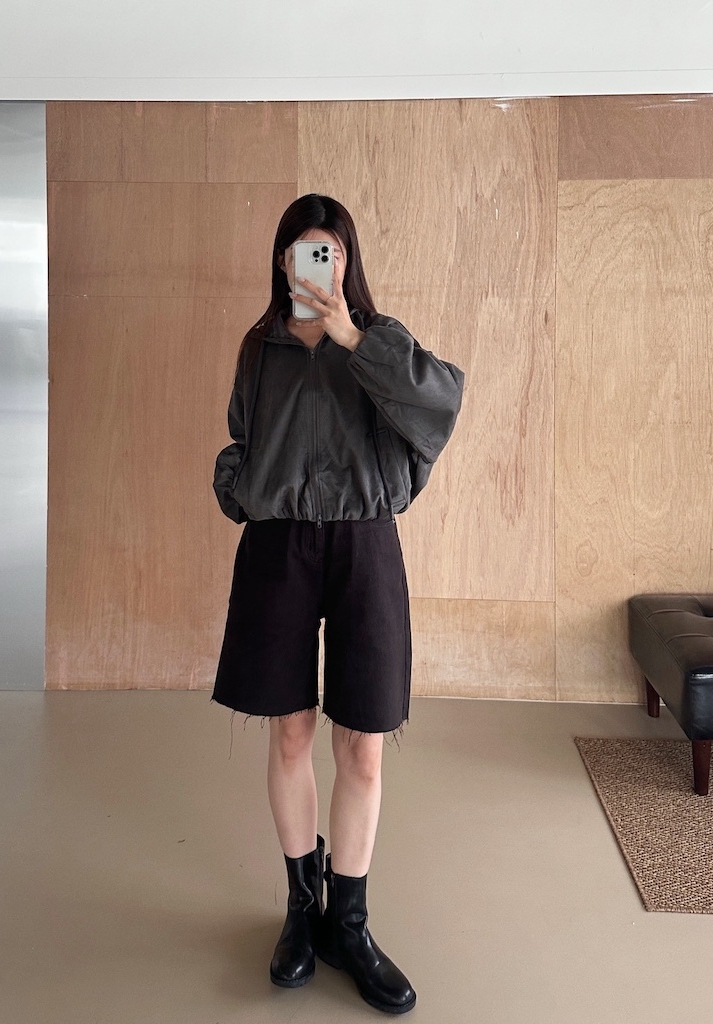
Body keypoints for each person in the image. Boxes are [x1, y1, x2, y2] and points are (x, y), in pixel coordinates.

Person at [212, 194, 464, 1015]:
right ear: (282, 263)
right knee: (290, 733)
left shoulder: (381, 341)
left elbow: (438, 407)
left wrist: (353, 338)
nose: (316, 268)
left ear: (348, 263)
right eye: (301, 254)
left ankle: (347, 927)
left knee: (364, 744)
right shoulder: (261, 348)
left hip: (364, 546)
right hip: (279, 547)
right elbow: (241, 439)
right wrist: (241, 490)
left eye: (330, 253)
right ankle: (301, 909)